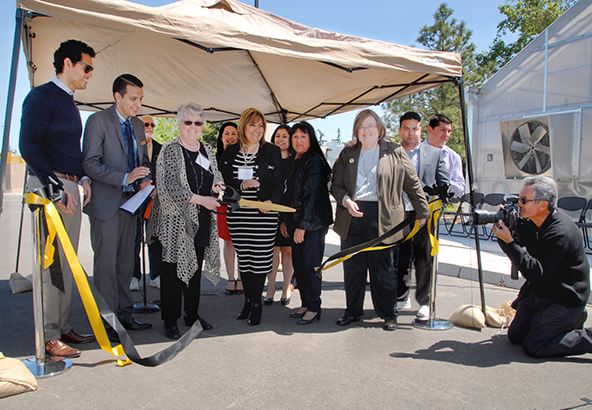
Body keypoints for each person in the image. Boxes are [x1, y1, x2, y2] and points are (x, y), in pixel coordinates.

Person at [19, 39, 96, 358]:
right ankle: (48, 336)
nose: (90, 74)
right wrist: (55, 189)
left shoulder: (69, 101)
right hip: (50, 191)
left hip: (70, 189)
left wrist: (85, 178)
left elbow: (69, 151)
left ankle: (61, 327)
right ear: (68, 63)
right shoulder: (41, 96)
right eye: (87, 67)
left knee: (66, 264)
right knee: (50, 266)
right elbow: (28, 145)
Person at [330, 109, 429, 331]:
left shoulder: (394, 151)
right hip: (352, 217)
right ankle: (352, 311)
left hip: (384, 218)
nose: (366, 131)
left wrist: (423, 213)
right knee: (353, 269)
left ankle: (388, 314)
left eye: (371, 126)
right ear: (357, 130)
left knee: (384, 269)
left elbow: (412, 184)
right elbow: (335, 185)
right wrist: (346, 200)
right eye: (362, 126)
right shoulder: (348, 153)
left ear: (379, 129)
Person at [82, 74, 153, 339]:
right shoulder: (97, 121)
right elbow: (89, 163)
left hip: (132, 203)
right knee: (106, 266)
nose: (138, 104)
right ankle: (105, 323)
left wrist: (144, 179)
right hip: (106, 204)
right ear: (117, 96)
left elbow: (141, 159)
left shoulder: (137, 125)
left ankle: (124, 315)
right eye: (133, 98)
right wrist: (124, 178)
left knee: (125, 264)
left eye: (141, 99)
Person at [492, 176, 592, 358]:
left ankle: (584, 333)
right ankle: (559, 325)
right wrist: (507, 226)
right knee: (516, 336)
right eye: (517, 200)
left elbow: (535, 272)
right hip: (542, 292)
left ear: (543, 205)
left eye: (523, 201)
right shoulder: (535, 222)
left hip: (565, 297)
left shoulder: (561, 233)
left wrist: (509, 242)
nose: (519, 205)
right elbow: (519, 241)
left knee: (535, 346)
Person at [148, 103, 223, 339]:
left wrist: (217, 186)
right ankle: (170, 320)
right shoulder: (170, 150)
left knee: (194, 271)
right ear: (179, 123)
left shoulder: (208, 150)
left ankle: (191, 315)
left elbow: (216, 175)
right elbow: (168, 187)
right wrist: (202, 199)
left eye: (198, 122)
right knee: (171, 273)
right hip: (173, 221)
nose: (193, 127)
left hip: (200, 219)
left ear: (203, 125)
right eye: (188, 122)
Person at [220, 108, 283, 326]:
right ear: (243, 126)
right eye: (252, 125)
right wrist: (241, 184)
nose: (257, 130)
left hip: (263, 214)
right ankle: (248, 301)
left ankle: (256, 304)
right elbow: (225, 181)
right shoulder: (230, 152)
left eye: (260, 125)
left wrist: (271, 202)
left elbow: (279, 182)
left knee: (260, 260)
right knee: (245, 261)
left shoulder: (272, 151)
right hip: (238, 215)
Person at [396, 112, 450, 321]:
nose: (410, 133)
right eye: (406, 128)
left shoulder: (434, 153)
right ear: (400, 130)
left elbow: (444, 187)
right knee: (401, 258)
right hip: (400, 215)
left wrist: (435, 209)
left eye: (414, 128)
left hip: (426, 217)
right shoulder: (392, 153)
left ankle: (425, 302)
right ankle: (401, 296)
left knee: (424, 260)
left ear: (421, 129)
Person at [282, 122, 333, 324]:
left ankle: (314, 307)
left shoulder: (314, 161)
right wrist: (286, 222)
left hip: (312, 224)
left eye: (303, 136)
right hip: (296, 222)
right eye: (295, 137)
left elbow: (312, 197)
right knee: (299, 265)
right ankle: (305, 303)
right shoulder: (295, 160)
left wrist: (303, 226)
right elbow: (289, 194)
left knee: (310, 266)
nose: (299, 140)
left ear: (311, 138)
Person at [130, 114, 162, 291]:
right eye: (145, 124)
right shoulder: (129, 146)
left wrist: (156, 190)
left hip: (154, 200)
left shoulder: (160, 148)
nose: (149, 126)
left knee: (154, 239)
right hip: (134, 198)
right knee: (134, 239)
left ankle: (156, 275)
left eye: (152, 124)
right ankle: (134, 276)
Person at [264, 125, 295, 305]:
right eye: (277, 136)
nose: (280, 139)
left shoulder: (295, 160)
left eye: (285, 136)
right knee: (272, 251)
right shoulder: (268, 157)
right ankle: (271, 287)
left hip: (288, 211)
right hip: (270, 210)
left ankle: (286, 287)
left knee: (288, 251)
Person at [215, 122, 243, 295]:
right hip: (223, 204)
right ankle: (230, 278)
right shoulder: (215, 158)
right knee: (228, 242)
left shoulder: (243, 156)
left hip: (241, 204)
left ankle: (241, 279)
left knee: (241, 242)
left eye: (234, 133)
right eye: (227, 133)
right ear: (222, 137)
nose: (231, 136)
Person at [425, 114, 465, 198]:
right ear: (430, 130)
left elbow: (461, 189)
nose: (446, 134)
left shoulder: (454, 157)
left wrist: (444, 184)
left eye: (449, 131)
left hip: (439, 208)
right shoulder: (415, 153)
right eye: (442, 130)